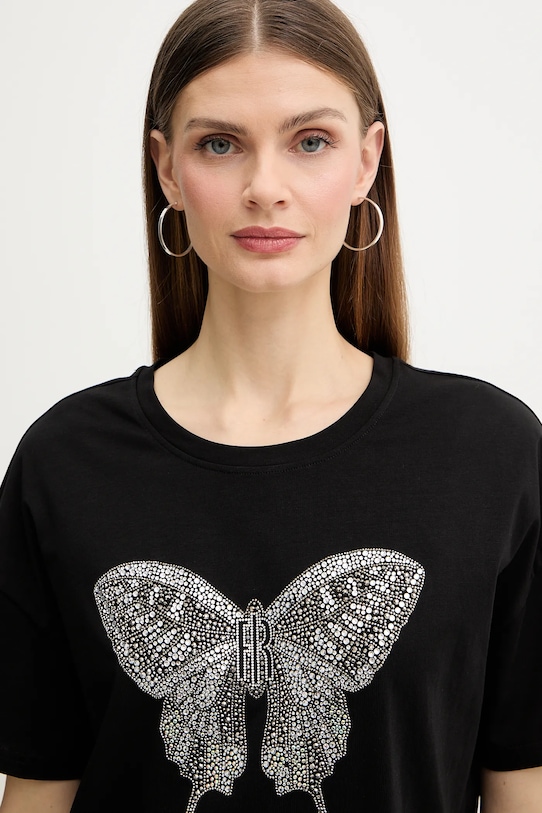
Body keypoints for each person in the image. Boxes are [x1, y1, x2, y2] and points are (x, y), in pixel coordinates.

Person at [0, 0, 541, 810]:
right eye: (219, 144)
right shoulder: (64, 463)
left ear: (366, 161)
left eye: (310, 141)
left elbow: (524, 786)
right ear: (167, 169)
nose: (264, 188)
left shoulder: (491, 454)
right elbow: (38, 791)